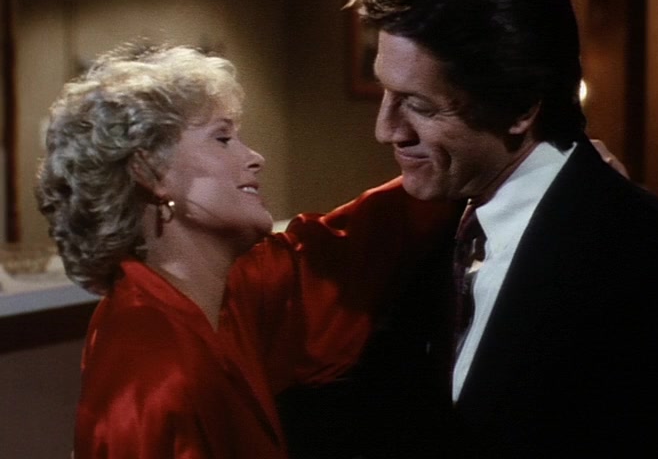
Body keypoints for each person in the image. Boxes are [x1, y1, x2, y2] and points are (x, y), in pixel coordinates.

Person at [284, 0, 658, 458]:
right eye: (385, 94)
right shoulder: (435, 231)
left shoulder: (645, 253)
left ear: (520, 107)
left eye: (419, 105)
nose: (386, 130)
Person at [36, 44, 457, 458]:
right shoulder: (152, 371)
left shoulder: (225, 294)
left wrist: (460, 161)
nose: (255, 157)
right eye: (222, 138)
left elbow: (348, 244)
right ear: (149, 172)